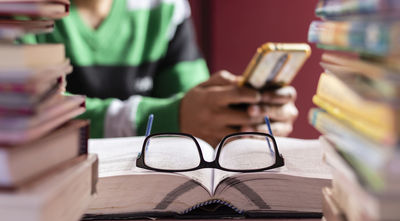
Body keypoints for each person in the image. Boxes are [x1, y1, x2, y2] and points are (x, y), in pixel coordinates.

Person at [22, 0, 298, 147]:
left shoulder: (165, 7)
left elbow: (193, 104)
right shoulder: (15, 11)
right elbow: (25, 115)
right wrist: (168, 118)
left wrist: (234, 119)